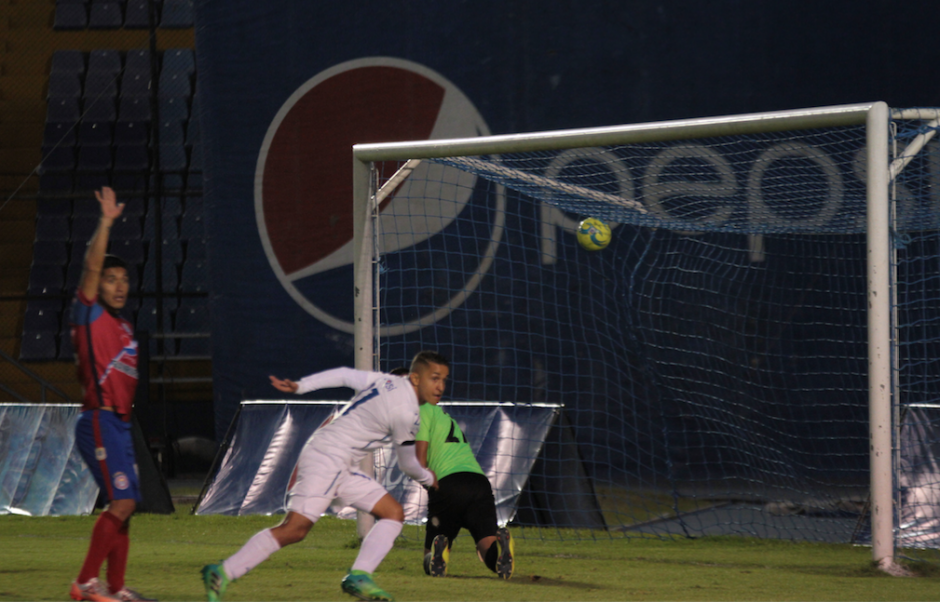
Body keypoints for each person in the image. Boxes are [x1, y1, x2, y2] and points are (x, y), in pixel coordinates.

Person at [201, 352, 446, 602]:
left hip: (338, 460)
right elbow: (408, 464)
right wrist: (428, 478)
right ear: (416, 379)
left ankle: (359, 576)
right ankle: (223, 571)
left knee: (393, 513)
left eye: (443, 380)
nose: (440, 387)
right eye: (434, 379)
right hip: (329, 460)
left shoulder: (384, 381)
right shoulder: (407, 413)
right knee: (295, 529)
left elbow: (343, 374)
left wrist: (302, 386)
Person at [70, 187, 155, 602]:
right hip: (99, 420)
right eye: (110, 278)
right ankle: (85, 583)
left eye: (124, 279)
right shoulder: (90, 314)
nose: (119, 285)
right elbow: (89, 264)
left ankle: (116, 589)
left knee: (126, 508)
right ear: (97, 284)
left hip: (119, 425)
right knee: (121, 503)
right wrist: (106, 222)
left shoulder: (124, 328)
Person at [414, 357, 514, 580]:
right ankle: (500, 550)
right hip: (479, 483)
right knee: (486, 547)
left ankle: (439, 550)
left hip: (448, 484)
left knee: (428, 560)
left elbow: (420, 462)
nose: (441, 386)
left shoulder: (420, 413)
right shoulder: (444, 416)